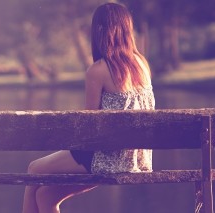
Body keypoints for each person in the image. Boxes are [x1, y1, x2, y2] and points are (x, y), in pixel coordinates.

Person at [22, 3, 155, 213]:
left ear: (100, 31)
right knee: (45, 196)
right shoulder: (142, 64)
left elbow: (89, 127)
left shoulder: (99, 70)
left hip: (105, 159)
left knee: (33, 169)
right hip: (135, 161)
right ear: (127, 29)